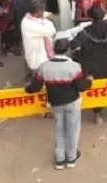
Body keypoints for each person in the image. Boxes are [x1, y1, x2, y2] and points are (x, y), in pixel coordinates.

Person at [25, 38, 92, 169]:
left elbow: (35, 87)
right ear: (67, 50)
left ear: (54, 50)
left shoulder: (44, 67)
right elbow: (81, 87)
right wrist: (89, 80)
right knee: (73, 130)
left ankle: (59, 159)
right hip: (72, 102)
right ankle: (71, 158)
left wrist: (26, 88)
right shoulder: (74, 66)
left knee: (59, 129)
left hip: (55, 103)